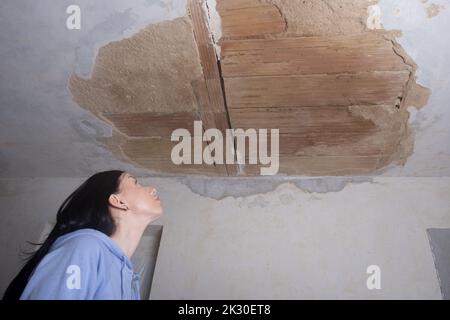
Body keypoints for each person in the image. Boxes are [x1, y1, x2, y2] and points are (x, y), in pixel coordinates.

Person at [3, 170, 163, 300]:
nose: (152, 189)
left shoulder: (128, 279)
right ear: (118, 201)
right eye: (136, 183)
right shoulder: (85, 246)